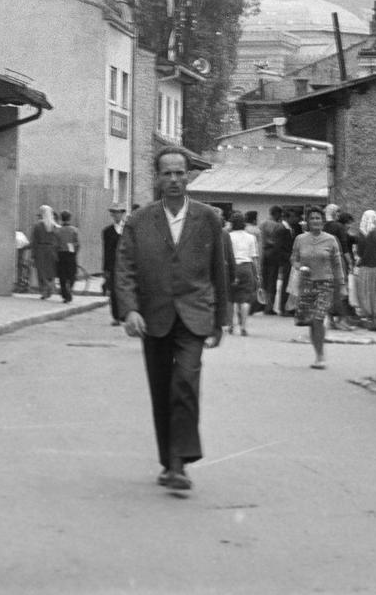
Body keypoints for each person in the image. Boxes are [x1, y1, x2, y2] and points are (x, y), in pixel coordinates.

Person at [115, 146, 234, 493]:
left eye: (180, 173)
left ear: (188, 176)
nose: (174, 180)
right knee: (161, 387)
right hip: (154, 316)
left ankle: (180, 463)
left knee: (185, 382)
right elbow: (124, 268)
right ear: (157, 177)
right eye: (167, 173)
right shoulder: (139, 221)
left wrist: (220, 320)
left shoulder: (208, 218)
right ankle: (169, 461)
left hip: (195, 315)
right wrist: (130, 309)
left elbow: (219, 271)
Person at [291, 207, 344, 369]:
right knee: (310, 321)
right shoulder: (300, 239)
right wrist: (300, 267)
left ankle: (321, 357)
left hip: (325, 283)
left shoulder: (330, 240)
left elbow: (337, 263)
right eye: (312, 218)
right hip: (306, 283)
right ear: (307, 221)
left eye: (318, 218)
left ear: (323, 221)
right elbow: (294, 258)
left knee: (318, 318)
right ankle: (317, 353)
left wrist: (341, 285)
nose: (315, 221)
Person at [226, 212, 258, 334]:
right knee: (245, 299)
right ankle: (243, 327)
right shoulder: (251, 237)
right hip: (246, 267)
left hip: (231, 267)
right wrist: (257, 274)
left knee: (231, 298)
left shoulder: (228, 236)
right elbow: (254, 257)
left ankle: (230, 326)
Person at [259, 206, 294, 317]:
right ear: (277, 214)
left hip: (265, 253)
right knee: (272, 280)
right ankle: (270, 306)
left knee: (266, 280)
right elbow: (277, 242)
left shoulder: (263, 224)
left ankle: (266, 306)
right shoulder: (277, 226)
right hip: (274, 254)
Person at [102, 203, 128, 324]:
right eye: (114, 213)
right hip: (113, 266)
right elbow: (106, 250)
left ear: (123, 214)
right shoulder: (107, 231)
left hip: (126, 266)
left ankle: (125, 314)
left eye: (119, 213)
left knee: (125, 290)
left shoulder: (129, 230)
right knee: (113, 291)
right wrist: (105, 269)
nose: (116, 216)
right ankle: (116, 317)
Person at [29, 204, 60, 301]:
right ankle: (50, 287)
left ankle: (44, 290)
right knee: (50, 271)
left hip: (40, 250)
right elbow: (58, 240)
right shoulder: (55, 226)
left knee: (41, 271)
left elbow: (34, 241)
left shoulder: (37, 226)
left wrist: (33, 254)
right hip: (52, 250)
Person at [55, 210, 80, 302]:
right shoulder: (74, 230)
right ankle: (69, 286)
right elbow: (77, 243)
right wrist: (75, 252)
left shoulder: (58, 230)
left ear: (61, 218)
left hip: (61, 254)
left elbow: (55, 244)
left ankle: (65, 294)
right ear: (70, 218)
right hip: (70, 254)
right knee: (72, 274)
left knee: (62, 275)